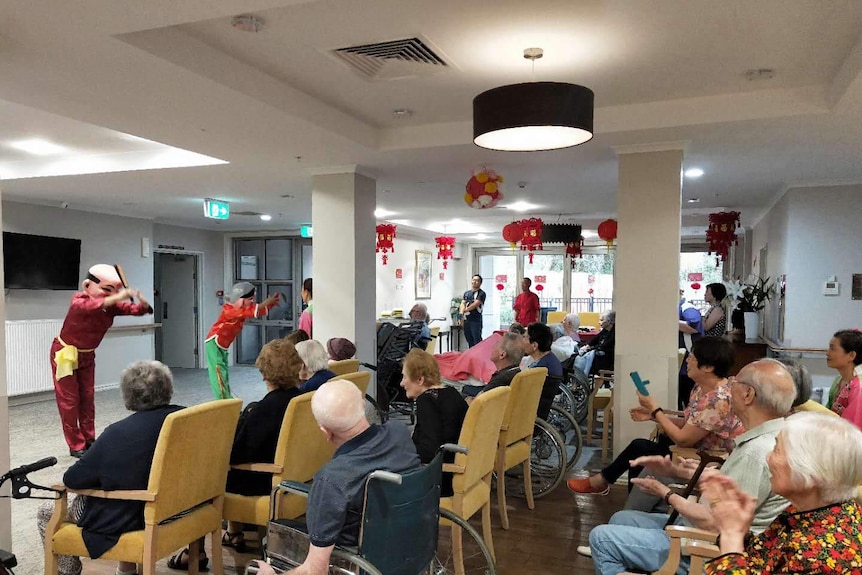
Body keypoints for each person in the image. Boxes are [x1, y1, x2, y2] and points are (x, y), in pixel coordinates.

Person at [586, 359, 795, 574]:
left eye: (735, 382)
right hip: (700, 525)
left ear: (748, 395)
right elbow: (732, 487)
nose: (729, 387)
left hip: (707, 548)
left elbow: (718, 524)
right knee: (621, 518)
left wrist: (666, 494)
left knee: (601, 538)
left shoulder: (756, 452)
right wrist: (680, 471)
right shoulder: (767, 437)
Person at [37, 361, 183, 575]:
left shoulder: (118, 434)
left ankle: (68, 572)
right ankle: (125, 569)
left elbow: (73, 480)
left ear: (128, 395)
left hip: (139, 512)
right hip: (181, 508)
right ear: (168, 388)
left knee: (46, 512)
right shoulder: (185, 418)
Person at [171, 339, 304, 564]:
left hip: (264, 481)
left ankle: (195, 553)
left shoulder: (264, 410)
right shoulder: (300, 401)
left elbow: (236, 455)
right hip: (292, 477)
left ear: (264, 372)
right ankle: (233, 533)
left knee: (203, 477)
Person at [568, 336, 743, 495]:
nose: (688, 361)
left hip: (707, 457)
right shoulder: (701, 388)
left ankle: (608, 487)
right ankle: (628, 501)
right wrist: (652, 416)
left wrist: (655, 410)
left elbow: (684, 439)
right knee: (642, 451)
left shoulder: (717, 400)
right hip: (695, 447)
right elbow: (692, 423)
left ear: (708, 367)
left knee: (640, 449)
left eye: (692, 358)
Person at [284, 380, 420, 574]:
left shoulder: (332, 479)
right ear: (363, 406)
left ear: (325, 432)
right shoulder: (399, 432)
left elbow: (315, 569)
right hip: (410, 537)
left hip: (361, 551)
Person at [702, 412, 862, 574]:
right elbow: (764, 559)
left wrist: (732, 535)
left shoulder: (818, 560)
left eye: (777, 450)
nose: (768, 457)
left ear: (812, 475)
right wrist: (739, 527)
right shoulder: (822, 509)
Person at [50, 263, 153, 457]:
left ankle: (89, 439)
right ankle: (76, 445)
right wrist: (119, 295)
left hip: (87, 355)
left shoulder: (111, 306)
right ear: (87, 285)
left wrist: (143, 302)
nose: (110, 295)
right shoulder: (79, 300)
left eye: (114, 291)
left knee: (88, 398)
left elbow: (138, 310)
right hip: (65, 353)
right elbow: (93, 305)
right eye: (106, 289)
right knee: (69, 401)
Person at [400, 348, 468, 496]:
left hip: (439, 481)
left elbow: (429, 451)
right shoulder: (452, 393)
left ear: (420, 379)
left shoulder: (427, 400)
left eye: (405, 377)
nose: (401, 383)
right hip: (462, 473)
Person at [205, 282, 280, 399]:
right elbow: (254, 310)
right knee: (218, 372)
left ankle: (226, 397)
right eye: (250, 298)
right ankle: (222, 401)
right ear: (240, 299)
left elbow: (257, 311)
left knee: (223, 371)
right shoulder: (229, 310)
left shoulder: (241, 310)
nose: (252, 301)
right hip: (214, 343)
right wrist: (266, 302)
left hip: (222, 344)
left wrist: (270, 305)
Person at [461, 332, 524, 399]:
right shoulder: (516, 372)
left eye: (497, 344)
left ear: (502, 355)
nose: (493, 347)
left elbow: (477, 403)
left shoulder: (500, 380)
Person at [524, 322, 564, 420]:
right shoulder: (551, 360)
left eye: (524, 337)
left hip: (528, 415)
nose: (522, 341)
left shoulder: (540, 369)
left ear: (534, 345)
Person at [825, 329, 862, 428]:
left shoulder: (859, 387)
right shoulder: (839, 380)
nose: (827, 353)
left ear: (851, 355)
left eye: (833, 349)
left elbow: (854, 428)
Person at [678, 294, 705, 409]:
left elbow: (694, 326)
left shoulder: (687, 308)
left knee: (690, 402)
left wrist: (667, 321)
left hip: (688, 364)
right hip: (681, 365)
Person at [579, 310, 616, 375]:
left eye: (601, 320)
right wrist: (587, 345)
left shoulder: (614, 332)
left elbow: (604, 346)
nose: (599, 322)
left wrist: (589, 348)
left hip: (608, 359)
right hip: (601, 355)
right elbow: (595, 339)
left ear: (609, 321)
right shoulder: (605, 330)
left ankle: (581, 378)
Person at [459, 274, 486, 348]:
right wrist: (460, 316)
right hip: (467, 320)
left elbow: (475, 304)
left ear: (480, 283)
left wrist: (466, 310)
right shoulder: (467, 293)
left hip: (476, 320)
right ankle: (471, 357)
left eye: (477, 281)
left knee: (477, 340)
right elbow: (462, 304)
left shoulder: (482, 293)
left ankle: (479, 357)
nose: (475, 282)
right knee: (469, 339)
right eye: (473, 280)